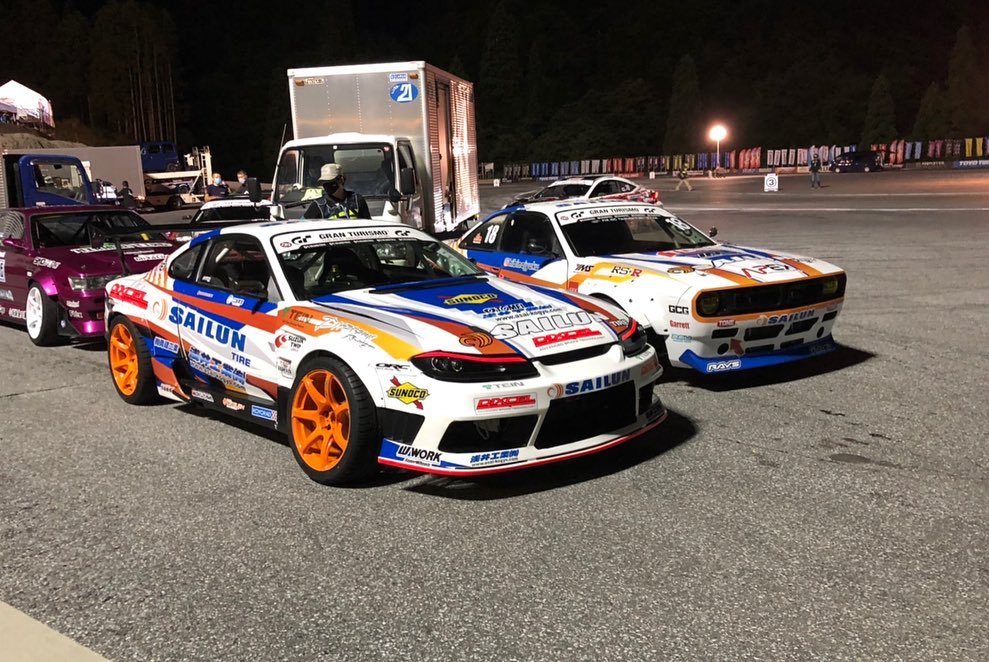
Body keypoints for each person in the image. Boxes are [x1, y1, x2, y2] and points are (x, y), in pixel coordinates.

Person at [303, 163, 371, 219]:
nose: (327, 185)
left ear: (341, 180)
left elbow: (368, 224)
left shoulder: (357, 200)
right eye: (323, 182)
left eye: (330, 181)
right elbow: (302, 224)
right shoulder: (319, 205)